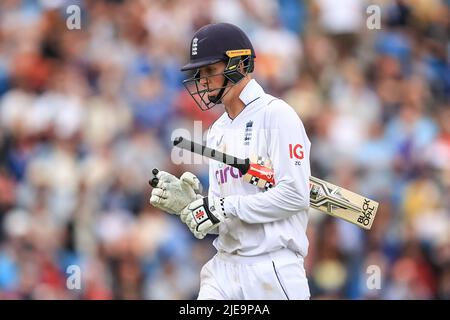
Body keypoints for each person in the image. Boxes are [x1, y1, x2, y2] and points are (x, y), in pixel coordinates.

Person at [150, 22, 311, 300]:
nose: (202, 81)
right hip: (223, 267)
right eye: (200, 73)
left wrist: (224, 206)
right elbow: (224, 218)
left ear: (239, 64)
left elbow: (296, 196)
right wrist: (193, 208)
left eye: (210, 71)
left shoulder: (277, 115)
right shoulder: (217, 130)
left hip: (271, 269)